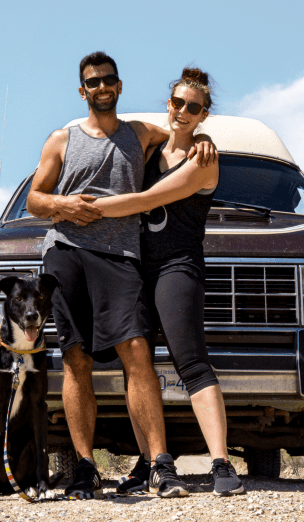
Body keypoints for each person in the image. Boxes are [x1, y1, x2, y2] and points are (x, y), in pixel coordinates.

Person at [26, 52, 216, 498]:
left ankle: (160, 466)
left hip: (121, 254)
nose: (102, 87)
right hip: (67, 251)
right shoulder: (62, 139)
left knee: (136, 349)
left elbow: (180, 130)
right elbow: (35, 198)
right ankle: (86, 467)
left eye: (109, 80)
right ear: (82, 90)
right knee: (76, 358)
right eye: (93, 82)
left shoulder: (139, 134)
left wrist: (205, 136)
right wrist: (61, 206)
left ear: (120, 85)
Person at [88, 67, 244, 497]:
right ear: (169, 103)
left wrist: (86, 208)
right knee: (136, 365)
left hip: (177, 266)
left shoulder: (202, 160)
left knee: (191, 362)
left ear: (203, 115)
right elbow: (118, 133)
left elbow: (146, 200)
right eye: (177, 102)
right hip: (137, 268)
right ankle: (152, 462)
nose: (182, 111)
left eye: (193, 107)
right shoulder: (152, 144)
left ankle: (222, 465)